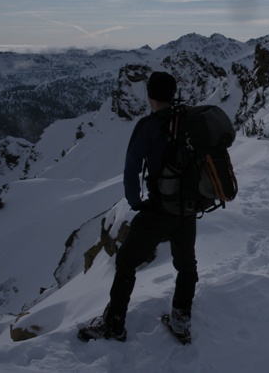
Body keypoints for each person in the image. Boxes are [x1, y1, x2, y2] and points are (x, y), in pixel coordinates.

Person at [78, 71, 198, 343]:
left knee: (126, 261)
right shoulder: (187, 120)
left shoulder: (149, 125)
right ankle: (181, 319)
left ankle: (114, 324)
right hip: (188, 206)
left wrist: (136, 203)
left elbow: (131, 169)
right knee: (186, 265)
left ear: (151, 96)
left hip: (159, 208)